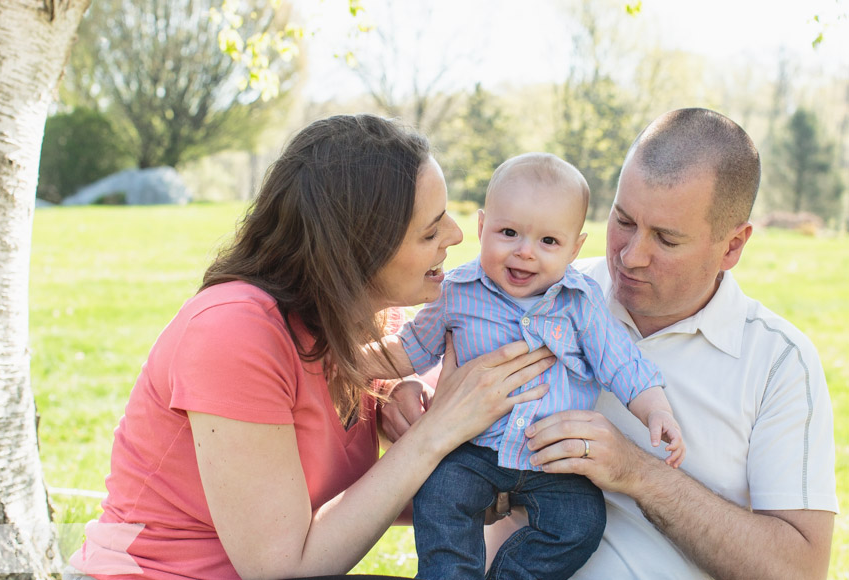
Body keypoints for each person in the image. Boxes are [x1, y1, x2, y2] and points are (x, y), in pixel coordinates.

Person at [65, 114, 557, 580]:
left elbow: (370, 496)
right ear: (358, 252)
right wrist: (437, 433)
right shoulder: (235, 333)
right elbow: (282, 567)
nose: (454, 235)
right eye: (430, 230)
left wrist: (478, 473)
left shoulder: (372, 320)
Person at [469, 108, 836, 578]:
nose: (630, 255)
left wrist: (638, 473)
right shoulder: (539, 295)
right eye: (623, 220)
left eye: (665, 239)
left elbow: (800, 571)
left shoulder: (779, 363)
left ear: (732, 246)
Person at [362, 153, 684, 579]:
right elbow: (411, 347)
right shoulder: (459, 291)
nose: (524, 252)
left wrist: (656, 410)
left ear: (574, 248)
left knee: (579, 523)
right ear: (482, 228)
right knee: (439, 497)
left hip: (551, 458)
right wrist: (354, 361)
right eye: (508, 232)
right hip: (472, 449)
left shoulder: (581, 303)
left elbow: (622, 365)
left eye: (548, 242)